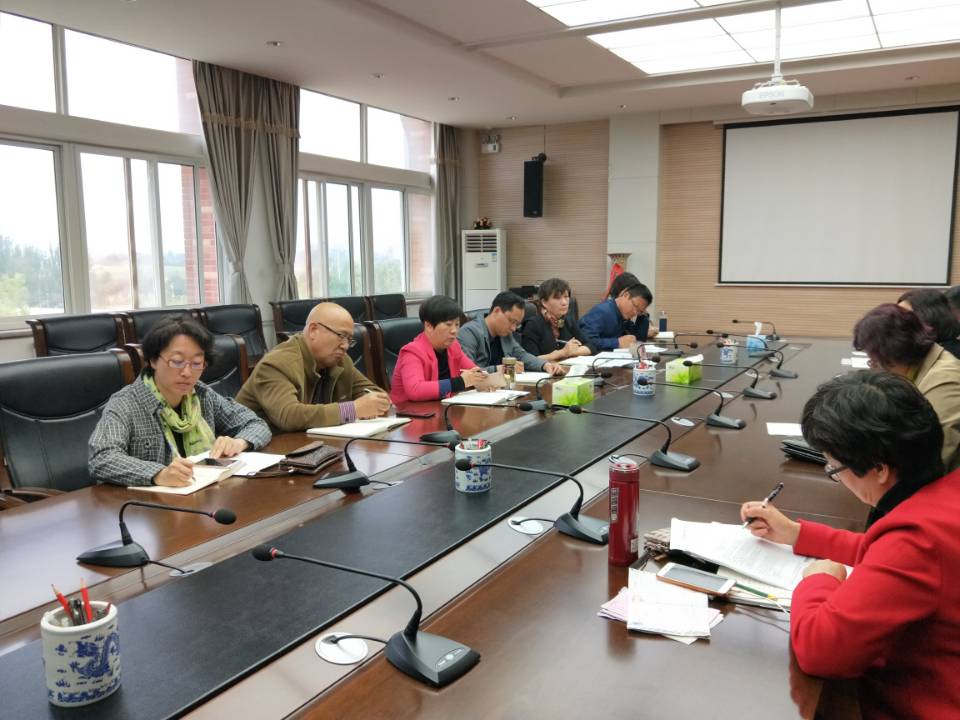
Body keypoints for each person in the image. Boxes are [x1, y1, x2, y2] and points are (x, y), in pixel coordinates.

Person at [740, 370, 960, 720]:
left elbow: (821, 651)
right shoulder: (945, 495)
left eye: (834, 468)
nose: (837, 476)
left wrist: (819, 579)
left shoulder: (917, 539)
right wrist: (797, 534)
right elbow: (885, 558)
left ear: (879, 469)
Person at [89, 316, 271, 488]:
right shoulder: (126, 403)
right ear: (153, 360)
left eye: (196, 363)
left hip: (204, 494)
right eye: (177, 362)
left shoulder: (201, 395)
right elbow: (102, 458)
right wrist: (158, 474)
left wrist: (239, 442)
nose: (187, 373)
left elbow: (255, 423)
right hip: (147, 505)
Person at [235, 302, 390, 432]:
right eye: (341, 336)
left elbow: (374, 392)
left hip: (308, 444)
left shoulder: (340, 360)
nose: (345, 346)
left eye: (350, 339)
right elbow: (289, 416)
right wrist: (353, 409)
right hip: (258, 449)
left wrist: (372, 403)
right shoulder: (277, 364)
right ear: (313, 330)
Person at [854, 303, 960, 471]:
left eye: (874, 361)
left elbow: (937, 456)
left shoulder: (944, 381)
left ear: (893, 352)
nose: (874, 368)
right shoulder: (919, 367)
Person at [390, 295, 491, 404]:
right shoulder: (412, 352)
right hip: (411, 411)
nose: (454, 331)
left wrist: (487, 381)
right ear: (428, 325)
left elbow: (473, 371)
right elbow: (415, 390)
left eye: (457, 324)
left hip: (443, 407)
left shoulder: (453, 347)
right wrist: (460, 382)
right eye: (448, 324)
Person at [458, 291, 565, 375]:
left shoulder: (505, 334)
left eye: (517, 324)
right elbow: (466, 371)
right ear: (496, 311)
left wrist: (545, 365)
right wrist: (499, 369)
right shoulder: (469, 333)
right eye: (511, 321)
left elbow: (522, 355)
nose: (513, 328)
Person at [521, 277, 595, 361]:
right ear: (544, 302)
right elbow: (529, 360)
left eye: (566, 297)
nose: (564, 302)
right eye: (557, 298)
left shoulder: (568, 321)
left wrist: (572, 352)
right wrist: (562, 353)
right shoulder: (533, 325)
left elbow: (591, 346)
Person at [579, 272, 655, 351]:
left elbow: (639, 339)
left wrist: (642, 313)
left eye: (639, 311)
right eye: (635, 305)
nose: (635, 312)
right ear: (625, 295)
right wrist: (617, 342)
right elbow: (586, 341)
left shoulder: (623, 315)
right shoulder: (601, 312)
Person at [897, 288, 960, 358]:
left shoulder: (951, 355)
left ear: (930, 316)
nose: (897, 321)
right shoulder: (908, 350)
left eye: (906, 315)